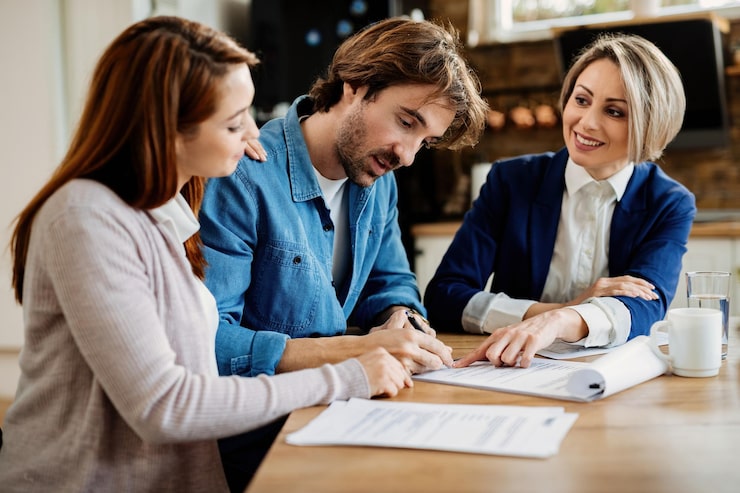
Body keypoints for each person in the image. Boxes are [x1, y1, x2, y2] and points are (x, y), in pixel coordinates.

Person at [0, 16, 413, 492]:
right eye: (235, 121)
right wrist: (345, 377)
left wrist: (227, 145)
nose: (253, 134)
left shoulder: (163, 211)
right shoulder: (84, 218)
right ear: (169, 126)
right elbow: (165, 408)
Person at [198, 16, 487, 487]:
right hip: (259, 447)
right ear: (355, 85)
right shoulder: (242, 177)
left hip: (347, 418)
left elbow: (390, 282)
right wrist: (355, 349)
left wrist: (399, 318)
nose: (407, 154)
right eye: (406, 121)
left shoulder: (379, 180)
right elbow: (208, 344)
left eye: (425, 140)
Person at [425, 33, 696, 369]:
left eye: (614, 111)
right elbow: (445, 297)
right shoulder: (511, 181)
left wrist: (559, 323)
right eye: (581, 100)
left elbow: (644, 310)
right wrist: (556, 311)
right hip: (508, 367)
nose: (586, 123)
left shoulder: (668, 203)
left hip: (607, 380)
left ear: (650, 124)